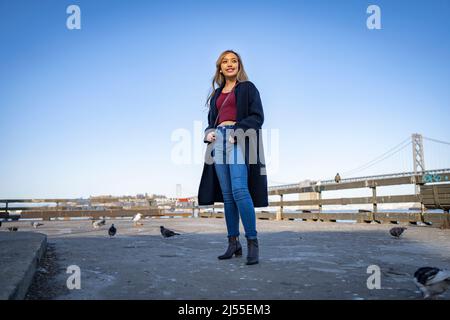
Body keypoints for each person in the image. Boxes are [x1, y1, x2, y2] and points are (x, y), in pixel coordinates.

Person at [197, 50, 268, 265]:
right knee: (227, 195)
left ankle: (252, 242)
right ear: (220, 68)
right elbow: (212, 120)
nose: (230, 64)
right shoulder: (217, 95)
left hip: (238, 138)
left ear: (239, 65)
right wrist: (208, 132)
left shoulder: (247, 88)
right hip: (218, 140)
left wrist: (237, 131)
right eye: (225, 62)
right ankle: (233, 243)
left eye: (234, 61)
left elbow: (257, 117)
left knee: (239, 189)